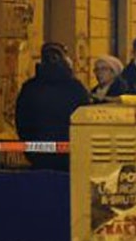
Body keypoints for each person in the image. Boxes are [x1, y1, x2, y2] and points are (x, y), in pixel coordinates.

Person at [16, 43, 92, 172]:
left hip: (41, 152)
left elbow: (22, 120)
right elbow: (86, 118)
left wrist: (30, 149)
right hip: (67, 152)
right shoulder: (75, 87)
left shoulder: (31, 88)